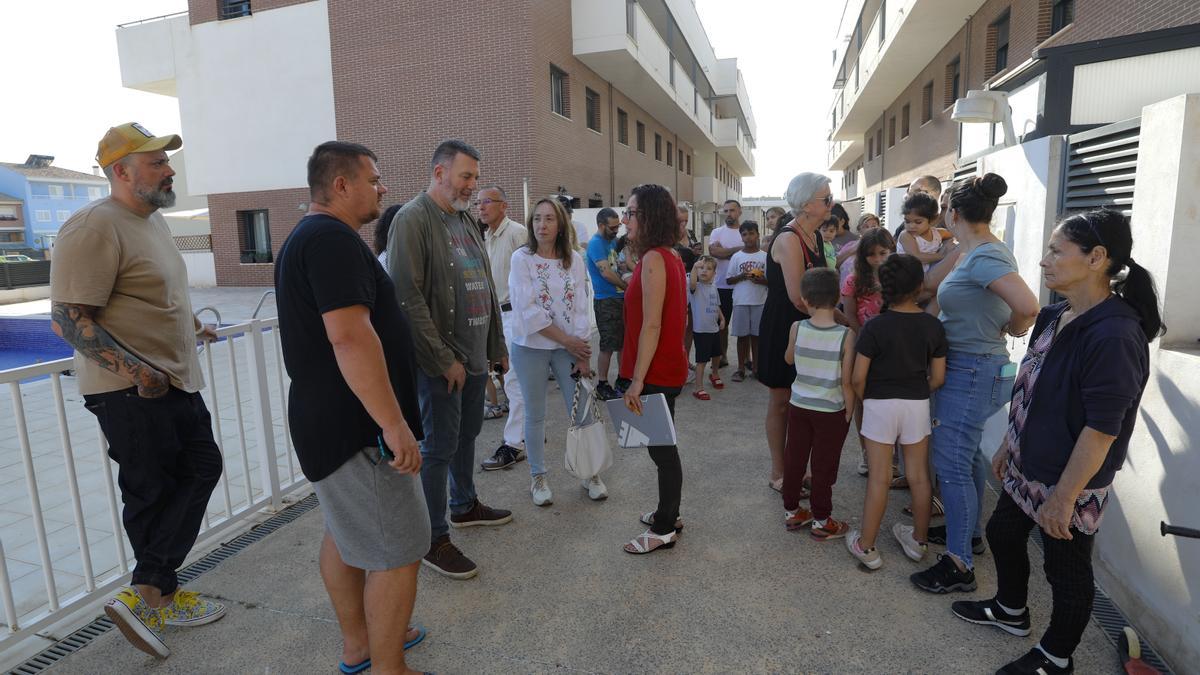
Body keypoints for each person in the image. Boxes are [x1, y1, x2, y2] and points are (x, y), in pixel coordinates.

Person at [953, 210, 1161, 675]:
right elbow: (1031, 388)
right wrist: (1011, 442)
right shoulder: (1054, 316)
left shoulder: (1114, 333)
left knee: (1065, 572)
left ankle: (1056, 656)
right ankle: (1010, 611)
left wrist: (1064, 498)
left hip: (1070, 479)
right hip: (1030, 461)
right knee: (1004, 533)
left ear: (1097, 258)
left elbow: (1103, 428)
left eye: (1056, 251)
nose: (1044, 261)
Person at [49, 123, 224, 659]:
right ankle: (152, 593)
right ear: (121, 172)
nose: (169, 170)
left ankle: (152, 590)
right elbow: (67, 317)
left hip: (171, 379)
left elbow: (151, 294)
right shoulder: (94, 226)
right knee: (153, 493)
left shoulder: (152, 222)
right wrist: (139, 374)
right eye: (156, 163)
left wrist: (192, 326)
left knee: (198, 470)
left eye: (166, 161)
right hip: (131, 391)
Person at [274, 141, 428, 675]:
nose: (383, 188)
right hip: (358, 428)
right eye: (374, 178)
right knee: (399, 551)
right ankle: (388, 668)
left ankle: (361, 644)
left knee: (346, 535)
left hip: (328, 421)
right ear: (341, 185)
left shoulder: (310, 238)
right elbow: (350, 338)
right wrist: (393, 425)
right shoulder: (331, 241)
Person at [387, 140, 512, 581]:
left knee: (467, 436)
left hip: (475, 358)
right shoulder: (412, 220)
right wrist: (443, 360)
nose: (473, 187)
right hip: (442, 364)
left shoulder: (463, 220)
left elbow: (487, 287)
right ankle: (432, 538)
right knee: (438, 448)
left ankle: (464, 506)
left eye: (476, 178)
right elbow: (406, 298)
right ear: (439, 173)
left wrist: (496, 344)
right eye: (466, 177)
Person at [910, 173, 1040, 594]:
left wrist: (1014, 327)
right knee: (965, 460)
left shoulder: (985, 257)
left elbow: (1028, 306)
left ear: (953, 212)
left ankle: (959, 564)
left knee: (950, 463)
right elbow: (931, 286)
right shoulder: (971, 251)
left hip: (972, 368)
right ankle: (967, 536)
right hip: (971, 366)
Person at [846, 254, 947, 570]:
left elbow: (857, 377)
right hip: (916, 404)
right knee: (918, 475)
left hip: (879, 404)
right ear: (920, 286)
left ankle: (867, 546)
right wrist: (916, 392)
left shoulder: (875, 326)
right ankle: (918, 541)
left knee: (879, 477)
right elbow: (939, 378)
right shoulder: (933, 326)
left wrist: (870, 398)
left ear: (883, 287)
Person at [508, 198, 604, 505]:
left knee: (582, 410)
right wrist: (569, 342)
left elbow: (579, 309)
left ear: (560, 224)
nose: (542, 225)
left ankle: (590, 473)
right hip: (531, 347)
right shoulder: (521, 259)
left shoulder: (574, 259)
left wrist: (583, 353)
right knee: (535, 415)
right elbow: (529, 312)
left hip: (569, 348)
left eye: (549, 218)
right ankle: (538, 477)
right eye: (537, 218)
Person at [618, 183, 688, 555]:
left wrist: (637, 381)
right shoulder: (667, 255)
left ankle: (664, 527)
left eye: (631, 213)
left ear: (649, 217)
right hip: (663, 366)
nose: (625, 219)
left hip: (656, 370)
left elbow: (653, 324)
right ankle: (668, 513)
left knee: (663, 450)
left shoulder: (655, 259)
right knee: (662, 448)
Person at [758, 173, 834, 493]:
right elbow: (798, 297)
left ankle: (797, 467)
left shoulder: (815, 237)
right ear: (806, 205)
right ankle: (780, 470)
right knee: (781, 400)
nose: (831, 204)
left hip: (810, 326)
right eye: (826, 199)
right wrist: (835, 321)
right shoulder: (789, 239)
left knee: (804, 403)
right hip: (785, 327)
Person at [780, 267, 855, 540]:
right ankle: (822, 519)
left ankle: (792, 512)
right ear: (837, 299)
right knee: (824, 466)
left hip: (799, 405)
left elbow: (789, 359)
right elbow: (847, 381)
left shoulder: (797, 327)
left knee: (794, 459)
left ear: (805, 299)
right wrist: (850, 409)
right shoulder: (846, 335)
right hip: (831, 410)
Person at [476, 186, 533, 470]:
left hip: (516, 317)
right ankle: (529, 431)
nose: (481, 207)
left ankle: (514, 443)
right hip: (497, 318)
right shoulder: (485, 236)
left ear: (504, 206)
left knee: (513, 381)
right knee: (510, 380)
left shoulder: (517, 234)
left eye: (487, 201)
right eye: (478, 202)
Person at [586, 207, 627, 400]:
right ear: (601, 225)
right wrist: (626, 286)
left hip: (618, 299)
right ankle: (602, 384)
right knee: (608, 345)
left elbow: (617, 266)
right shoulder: (596, 244)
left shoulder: (611, 242)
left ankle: (623, 378)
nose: (616, 230)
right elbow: (606, 273)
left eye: (617, 226)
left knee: (623, 343)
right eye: (612, 227)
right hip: (606, 301)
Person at [725, 221, 768, 382]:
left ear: (757, 234)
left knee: (757, 336)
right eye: (744, 234)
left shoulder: (764, 257)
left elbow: (770, 281)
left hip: (760, 301)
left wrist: (760, 280)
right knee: (742, 336)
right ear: (741, 237)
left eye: (751, 233)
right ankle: (740, 368)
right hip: (741, 301)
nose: (748, 237)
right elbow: (729, 280)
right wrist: (743, 276)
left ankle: (756, 368)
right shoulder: (737, 257)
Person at [708, 199, 745, 367]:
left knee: (746, 326)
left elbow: (752, 249)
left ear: (739, 211)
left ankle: (747, 360)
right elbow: (714, 252)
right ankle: (723, 356)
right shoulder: (717, 232)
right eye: (726, 211)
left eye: (732, 210)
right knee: (722, 323)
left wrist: (726, 251)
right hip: (721, 285)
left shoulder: (745, 231)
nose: (729, 214)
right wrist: (740, 251)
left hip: (743, 286)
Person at [840, 228, 894, 333]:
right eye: (871, 254)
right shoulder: (853, 280)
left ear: (891, 249)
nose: (878, 259)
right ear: (863, 254)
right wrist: (861, 336)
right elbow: (849, 314)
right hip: (862, 335)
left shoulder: (897, 276)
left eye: (883, 253)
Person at [688, 255, 724, 401]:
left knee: (717, 355)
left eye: (708, 269)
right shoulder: (696, 288)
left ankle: (714, 374)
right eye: (701, 268)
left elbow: (716, 305)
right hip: (701, 331)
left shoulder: (714, 288)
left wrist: (722, 318)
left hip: (714, 329)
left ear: (714, 274)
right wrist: (694, 267)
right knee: (701, 361)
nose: (704, 271)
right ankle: (698, 387)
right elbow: (692, 282)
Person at [897, 192, 951, 271]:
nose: (911, 226)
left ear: (933, 220)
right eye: (907, 221)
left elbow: (956, 235)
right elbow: (916, 257)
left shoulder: (939, 233)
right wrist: (943, 255)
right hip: (906, 277)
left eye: (918, 222)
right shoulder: (906, 235)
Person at [836, 212, 883, 284]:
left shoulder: (882, 247)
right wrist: (853, 249)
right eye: (866, 227)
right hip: (845, 289)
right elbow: (835, 263)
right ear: (859, 229)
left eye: (873, 226)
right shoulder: (850, 245)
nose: (870, 229)